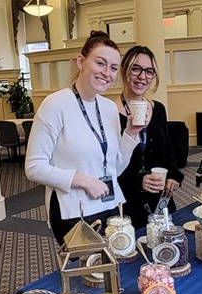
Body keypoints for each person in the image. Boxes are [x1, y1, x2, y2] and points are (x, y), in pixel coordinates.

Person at [25, 31, 149, 244]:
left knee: (115, 269)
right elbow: (34, 167)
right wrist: (83, 181)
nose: (106, 73)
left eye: (112, 68)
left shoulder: (109, 107)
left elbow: (114, 168)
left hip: (110, 205)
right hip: (74, 209)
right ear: (81, 61)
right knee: (91, 274)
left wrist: (130, 133)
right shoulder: (55, 105)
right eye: (100, 63)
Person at [115, 45, 184, 229]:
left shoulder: (158, 109)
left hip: (160, 201)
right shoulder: (110, 112)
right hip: (128, 204)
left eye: (149, 71)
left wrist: (173, 176)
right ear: (124, 70)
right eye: (136, 69)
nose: (142, 76)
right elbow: (109, 167)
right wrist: (139, 180)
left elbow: (168, 153)